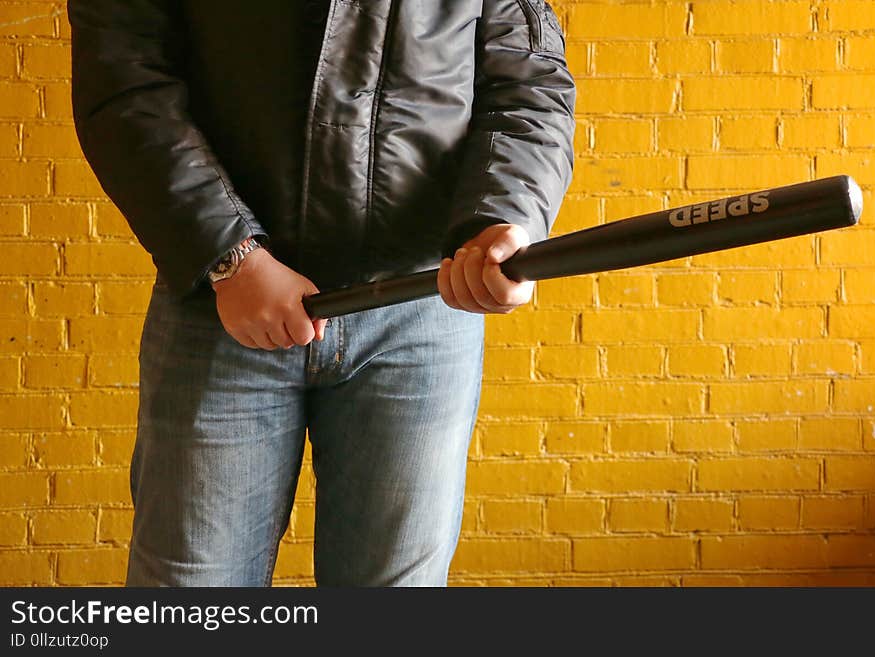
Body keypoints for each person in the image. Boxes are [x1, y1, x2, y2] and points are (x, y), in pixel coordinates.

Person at [68, 0, 575, 586]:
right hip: (225, 307)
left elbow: (530, 85)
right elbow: (125, 79)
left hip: (417, 312)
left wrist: (504, 216)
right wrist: (231, 255)